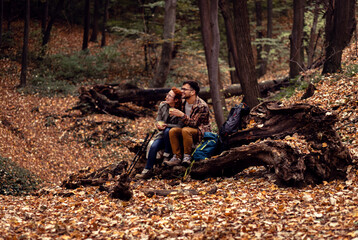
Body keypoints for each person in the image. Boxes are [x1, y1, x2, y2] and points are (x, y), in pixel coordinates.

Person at [136, 87, 184, 179]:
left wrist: (167, 125)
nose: (167, 97)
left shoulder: (180, 110)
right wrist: (158, 124)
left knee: (167, 131)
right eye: (167, 94)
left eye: (170, 96)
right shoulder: (163, 106)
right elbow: (158, 120)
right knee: (153, 146)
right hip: (162, 135)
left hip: (175, 137)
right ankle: (147, 170)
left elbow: (180, 126)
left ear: (176, 99)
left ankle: (166, 155)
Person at [163, 81, 211, 166]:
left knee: (186, 130)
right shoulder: (183, 102)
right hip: (186, 129)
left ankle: (187, 157)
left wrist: (182, 115)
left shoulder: (201, 105)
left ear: (193, 92)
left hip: (200, 131)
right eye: (182, 89)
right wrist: (165, 104)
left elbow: (194, 124)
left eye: (185, 89)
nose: (182, 91)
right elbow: (173, 104)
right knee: (173, 131)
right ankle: (176, 157)